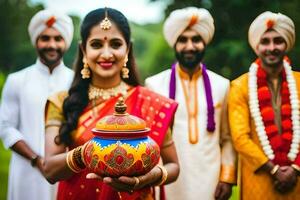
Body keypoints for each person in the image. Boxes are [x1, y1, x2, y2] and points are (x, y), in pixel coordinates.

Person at [43, 7, 179, 200]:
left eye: (115, 44)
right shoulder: (62, 101)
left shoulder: (151, 101)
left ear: (128, 48)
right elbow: (49, 170)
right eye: (96, 44)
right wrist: (86, 154)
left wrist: (149, 178)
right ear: (83, 49)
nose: (106, 54)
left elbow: (173, 166)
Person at [145, 7, 236, 200]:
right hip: (169, 178)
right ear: (174, 44)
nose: (190, 46)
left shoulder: (222, 85)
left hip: (209, 179)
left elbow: (227, 138)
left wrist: (227, 177)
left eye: (196, 39)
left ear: (204, 43)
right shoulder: (154, 85)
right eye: (183, 40)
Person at [0, 9, 74, 200]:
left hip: (67, 171)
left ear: (66, 41)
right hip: (26, 171)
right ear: (36, 41)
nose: (52, 45)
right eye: (45, 38)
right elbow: (6, 127)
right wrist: (36, 159)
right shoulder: (17, 80)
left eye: (58, 38)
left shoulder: (76, 83)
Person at [229, 11, 300, 199]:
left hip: (298, 178)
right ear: (256, 45)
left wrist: (295, 168)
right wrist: (275, 170)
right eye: (265, 41)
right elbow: (240, 138)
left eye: (278, 41)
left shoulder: (299, 82)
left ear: (287, 44)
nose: (272, 47)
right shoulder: (240, 86)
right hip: (259, 178)